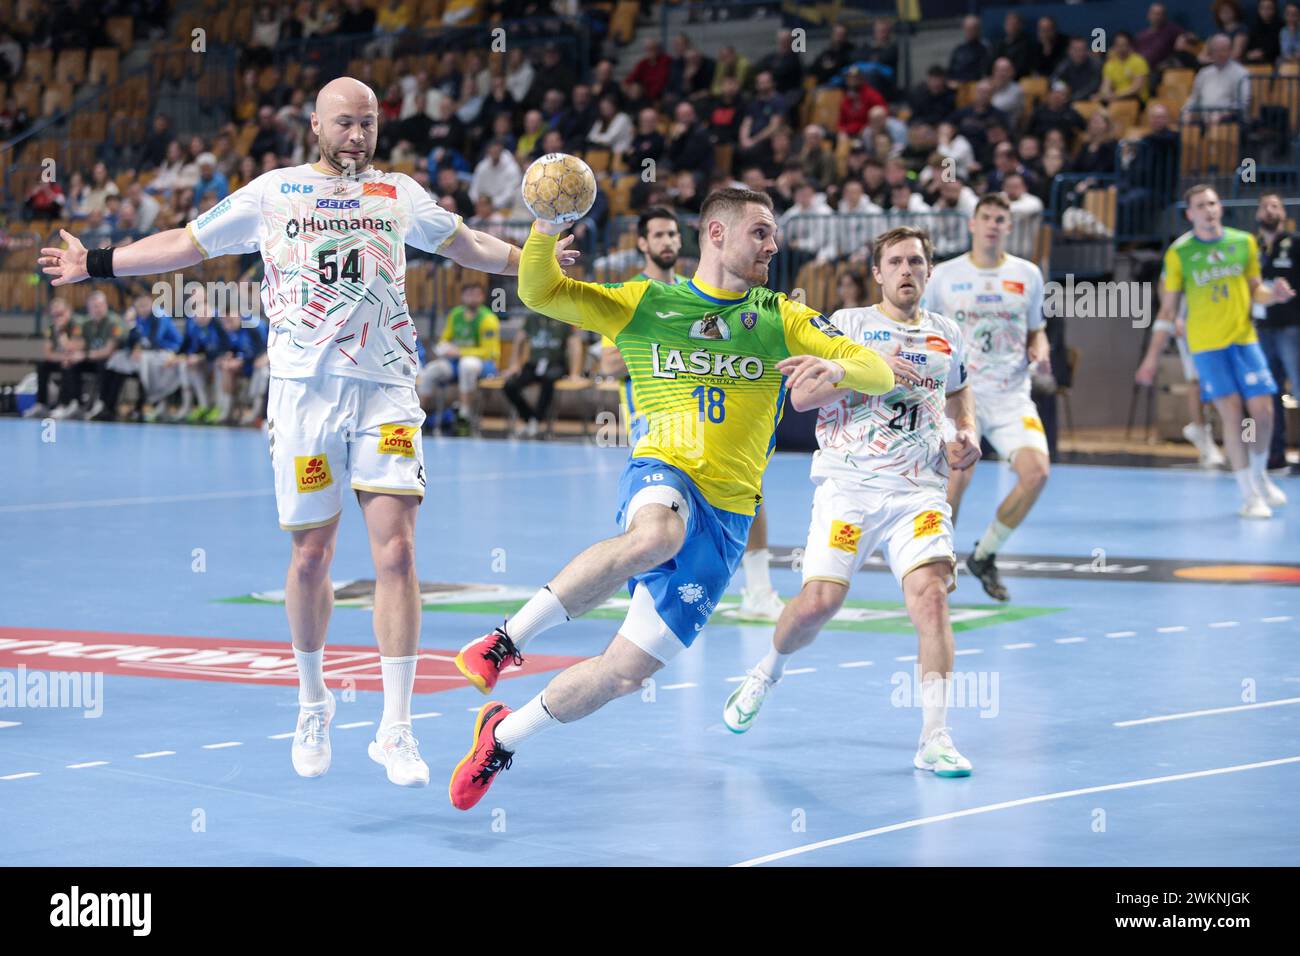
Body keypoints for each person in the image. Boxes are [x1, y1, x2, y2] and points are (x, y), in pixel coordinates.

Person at [38, 76, 580, 787]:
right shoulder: (274, 191)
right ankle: (312, 698)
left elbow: (468, 244)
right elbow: (188, 242)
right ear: (316, 127)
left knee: (397, 554)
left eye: (370, 124)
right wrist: (96, 263)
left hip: (385, 390)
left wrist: (534, 260)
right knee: (311, 560)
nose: (358, 136)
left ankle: (396, 728)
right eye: (345, 124)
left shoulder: (398, 194)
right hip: (303, 399)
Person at [446, 187, 904, 810]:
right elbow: (540, 292)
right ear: (716, 234)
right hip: (664, 470)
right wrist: (546, 230)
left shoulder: (779, 315)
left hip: (728, 515)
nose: (775, 245)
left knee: (625, 673)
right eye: (761, 232)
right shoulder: (647, 302)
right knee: (655, 535)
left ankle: (501, 737)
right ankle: (505, 642)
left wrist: (841, 371)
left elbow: (879, 369)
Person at [723, 226, 980, 775]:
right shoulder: (848, 326)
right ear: (878, 273)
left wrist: (967, 432)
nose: (907, 269)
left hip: (920, 491)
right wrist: (874, 375)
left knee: (931, 597)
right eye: (896, 262)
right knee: (819, 604)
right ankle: (766, 671)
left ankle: (935, 736)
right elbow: (802, 396)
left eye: (916, 260)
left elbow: (957, 391)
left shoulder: (947, 333)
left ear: (929, 271)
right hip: (850, 488)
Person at [1135, 185, 1295, 517]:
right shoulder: (1180, 253)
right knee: (1233, 416)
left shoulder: (1243, 243)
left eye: (1212, 203)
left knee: (1263, 413)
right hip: (1206, 347)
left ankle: (1260, 473)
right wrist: (1151, 359)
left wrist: (1274, 294)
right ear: (1189, 214)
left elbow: (1256, 292)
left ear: (1219, 207)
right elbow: (1167, 311)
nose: (1208, 209)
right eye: (1200, 205)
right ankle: (1249, 496)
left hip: (1244, 339)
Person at [923, 194, 1050, 602]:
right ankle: (938, 571)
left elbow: (1036, 329)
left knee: (1036, 474)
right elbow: (925, 329)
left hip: (1013, 395)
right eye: (987, 218)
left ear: (1009, 228)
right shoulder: (944, 275)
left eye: (1001, 219)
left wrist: (1040, 348)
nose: (993, 224)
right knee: (956, 479)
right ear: (972, 225)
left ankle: (985, 555)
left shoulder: (1028, 274)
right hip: (962, 395)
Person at [1255, 192, 1300, 473]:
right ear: (1258, 214)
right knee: (1269, 394)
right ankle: (1274, 454)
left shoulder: (1295, 244)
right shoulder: (1252, 247)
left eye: (1276, 206)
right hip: (1262, 329)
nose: (1270, 211)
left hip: (1292, 327)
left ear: (1284, 213)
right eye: (1265, 207)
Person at [419, 282, 501, 435]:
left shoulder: (488, 318)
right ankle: (416, 416)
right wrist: (443, 348)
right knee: (431, 370)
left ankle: (464, 415)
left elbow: (489, 352)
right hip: (457, 362)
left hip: (485, 364)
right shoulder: (455, 314)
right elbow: (444, 339)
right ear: (462, 297)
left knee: (467, 365)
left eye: (476, 294)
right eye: (468, 294)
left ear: (482, 297)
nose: (472, 297)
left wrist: (460, 352)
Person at [502, 312, 568, 438]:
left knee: (548, 380)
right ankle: (530, 418)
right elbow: (519, 340)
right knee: (509, 385)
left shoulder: (564, 316)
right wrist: (515, 364)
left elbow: (574, 344)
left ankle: (537, 420)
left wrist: (575, 373)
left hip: (556, 364)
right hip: (534, 364)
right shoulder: (532, 318)